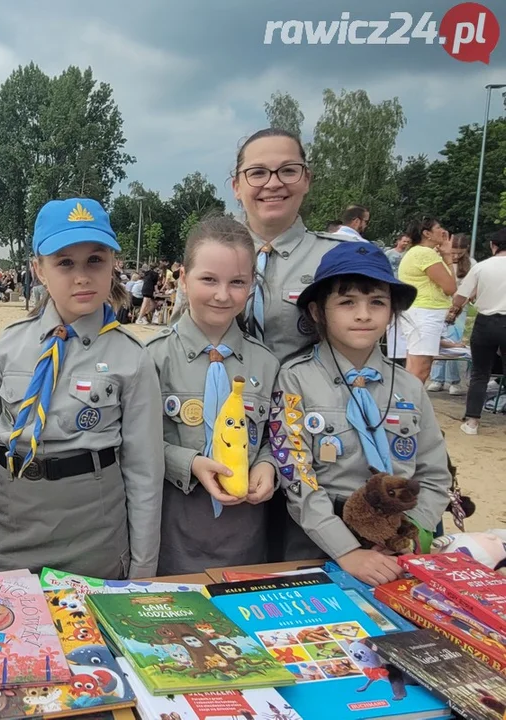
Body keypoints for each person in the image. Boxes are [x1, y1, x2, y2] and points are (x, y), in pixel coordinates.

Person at [0, 198, 163, 579]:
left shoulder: (131, 357)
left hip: (95, 530)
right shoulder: (9, 346)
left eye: (95, 260)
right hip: (14, 527)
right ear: (38, 269)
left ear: (113, 265)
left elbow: (144, 473)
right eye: (64, 262)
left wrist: (143, 568)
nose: (82, 276)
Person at [270, 243, 451, 585]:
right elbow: (297, 475)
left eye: (377, 302)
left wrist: (409, 533)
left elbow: (435, 474)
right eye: (347, 302)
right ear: (317, 311)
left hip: (399, 545)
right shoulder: (294, 379)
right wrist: (347, 551)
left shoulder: (409, 387)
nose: (364, 314)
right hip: (318, 543)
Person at [146, 216, 279, 574]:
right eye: (209, 279)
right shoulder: (151, 358)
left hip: (245, 543)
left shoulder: (267, 364)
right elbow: (135, 443)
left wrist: (267, 464)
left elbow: (276, 437)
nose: (223, 295)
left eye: (237, 282)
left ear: (252, 285)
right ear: (184, 280)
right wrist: (186, 463)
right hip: (172, 538)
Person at [234, 128, 344, 365]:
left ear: (307, 180)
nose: (273, 183)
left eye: (288, 171)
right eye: (258, 173)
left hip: (307, 398)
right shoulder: (207, 256)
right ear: (236, 187)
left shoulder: (339, 257)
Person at [448, 228, 506, 435]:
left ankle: (472, 421)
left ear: (493, 245)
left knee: (480, 373)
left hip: (486, 321)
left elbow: (459, 297)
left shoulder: (481, 267)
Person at [397, 217, 457, 383]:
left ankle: (408, 404)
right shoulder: (425, 254)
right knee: (420, 368)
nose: (443, 231)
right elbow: (451, 287)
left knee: (416, 365)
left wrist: (444, 254)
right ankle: (410, 405)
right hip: (425, 313)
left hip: (420, 312)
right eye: (438, 228)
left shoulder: (419, 253)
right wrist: (448, 258)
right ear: (427, 234)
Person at [427, 233, 472, 395]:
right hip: (440, 306)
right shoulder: (439, 260)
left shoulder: (471, 264)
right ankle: (437, 378)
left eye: (459, 253)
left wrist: (458, 305)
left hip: (458, 309)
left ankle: (454, 381)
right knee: (438, 341)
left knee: (453, 342)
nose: (455, 256)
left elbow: (471, 289)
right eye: (453, 252)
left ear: (465, 250)